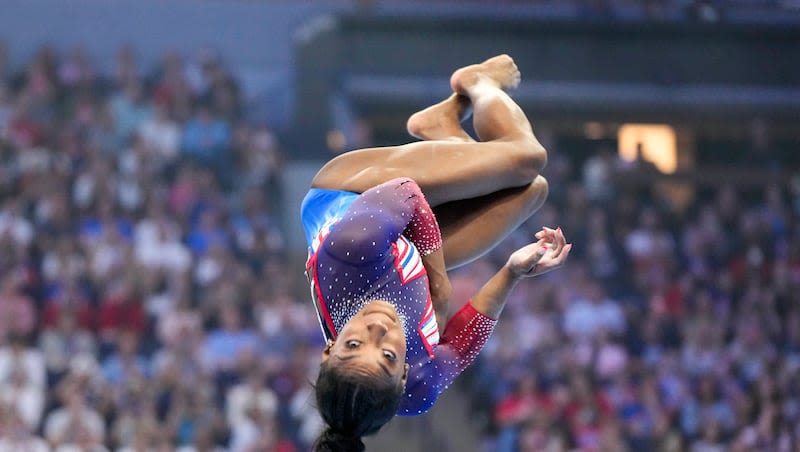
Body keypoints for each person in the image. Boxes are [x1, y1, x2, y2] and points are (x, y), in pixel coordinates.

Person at [301, 55, 572, 451]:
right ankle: (441, 131)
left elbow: (407, 191)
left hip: (355, 194)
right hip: (402, 253)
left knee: (526, 159)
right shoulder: (418, 391)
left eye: (353, 345)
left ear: (328, 351)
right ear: (405, 377)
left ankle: (476, 82)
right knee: (532, 192)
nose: (376, 332)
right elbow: (463, 340)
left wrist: (440, 285)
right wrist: (512, 273)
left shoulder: (347, 253)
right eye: (389, 356)